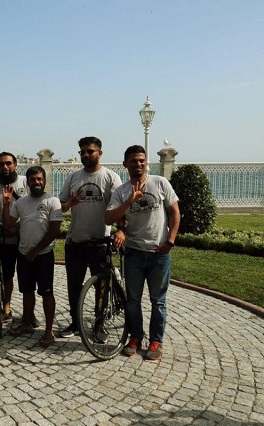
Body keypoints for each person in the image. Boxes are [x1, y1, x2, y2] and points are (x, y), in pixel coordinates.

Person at [105, 145, 180, 361]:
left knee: (158, 301)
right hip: (134, 254)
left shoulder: (160, 183)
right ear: (125, 164)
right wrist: (129, 201)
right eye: (133, 161)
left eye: (141, 160)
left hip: (159, 253)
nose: (138, 164)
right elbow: (108, 219)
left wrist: (170, 241)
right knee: (133, 300)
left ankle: (156, 341)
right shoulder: (121, 191)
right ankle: (136, 337)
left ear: (145, 162)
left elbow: (175, 213)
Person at [58, 137, 124, 338]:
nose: (86, 155)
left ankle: (99, 324)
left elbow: (121, 209)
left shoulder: (111, 178)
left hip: (100, 242)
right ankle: (76, 323)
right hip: (75, 241)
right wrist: (70, 202)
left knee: (101, 286)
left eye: (90, 151)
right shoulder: (73, 177)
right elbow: (61, 206)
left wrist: (120, 231)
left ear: (100, 153)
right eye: (83, 152)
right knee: (74, 287)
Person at [2, 166, 63, 347]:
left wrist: (36, 251)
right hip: (23, 254)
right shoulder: (21, 203)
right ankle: (26, 323)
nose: (37, 182)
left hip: (43, 255)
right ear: (27, 182)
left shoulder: (53, 201)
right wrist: (6, 204)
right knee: (27, 292)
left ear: (44, 180)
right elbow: (8, 224)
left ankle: (49, 330)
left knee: (47, 293)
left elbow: (54, 230)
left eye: (39, 179)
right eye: (33, 179)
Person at [0, 152, 30, 325]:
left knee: (27, 277)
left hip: (25, 236)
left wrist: (18, 227)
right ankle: (6, 309)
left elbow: (34, 207)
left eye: (8, 163)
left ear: (15, 165)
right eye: (1, 164)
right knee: (7, 276)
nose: (5, 167)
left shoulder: (25, 181)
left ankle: (28, 313)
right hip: (5, 237)